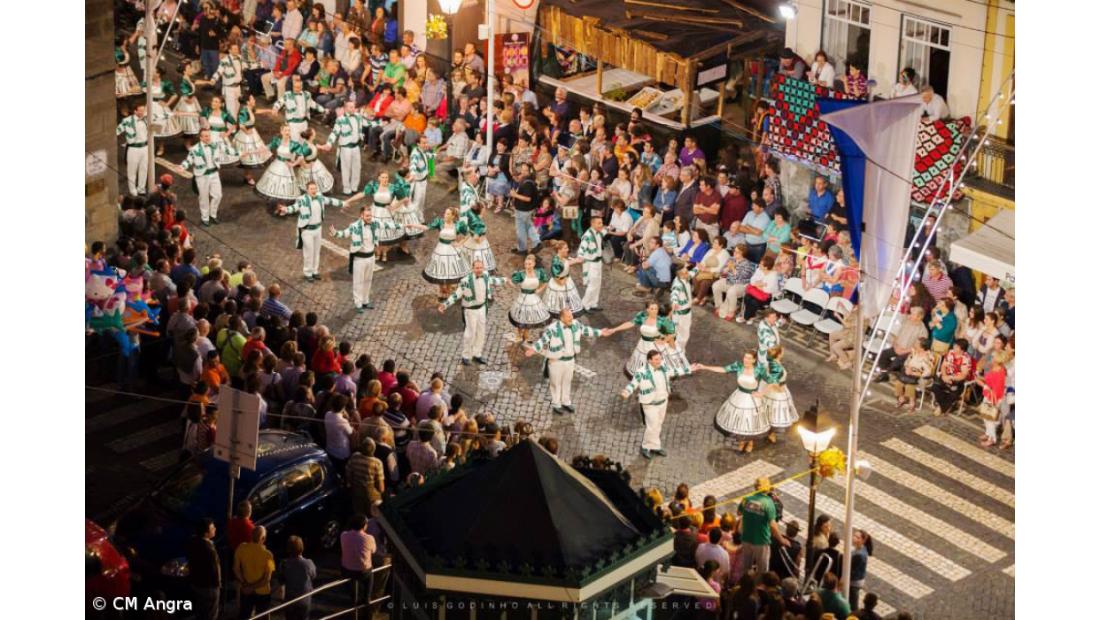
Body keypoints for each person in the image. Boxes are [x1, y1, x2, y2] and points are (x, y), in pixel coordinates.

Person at [526, 308, 610, 415]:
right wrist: (533, 349)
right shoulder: (552, 328)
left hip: (570, 360)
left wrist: (601, 332)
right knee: (555, 383)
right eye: (569, 316)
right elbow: (543, 340)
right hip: (556, 361)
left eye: (571, 316)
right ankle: (556, 404)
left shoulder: (576, 324)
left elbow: (586, 330)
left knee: (567, 381)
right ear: (562, 318)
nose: (571, 318)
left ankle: (566, 402)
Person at [620, 350, 692, 458]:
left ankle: (655, 446)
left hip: (663, 401)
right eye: (656, 359)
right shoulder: (641, 372)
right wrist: (627, 391)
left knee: (658, 425)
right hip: (650, 404)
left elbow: (674, 371)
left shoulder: (663, 367)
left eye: (660, 358)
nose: (659, 361)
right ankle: (645, 446)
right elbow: (633, 383)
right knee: (652, 426)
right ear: (649, 361)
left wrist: (690, 368)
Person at [277, 182, 354, 281]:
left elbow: (330, 201)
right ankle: (308, 273)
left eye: (315, 188)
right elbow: (294, 207)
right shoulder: (302, 200)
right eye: (311, 189)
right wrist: (286, 209)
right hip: (307, 231)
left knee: (316, 251)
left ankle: (315, 271)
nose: (314, 190)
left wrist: (343, 203)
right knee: (309, 252)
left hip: (318, 229)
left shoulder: (319, 197)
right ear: (307, 190)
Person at [330, 205, 401, 312]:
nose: (369, 218)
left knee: (368, 281)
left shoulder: (374, 223)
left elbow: (388, 225)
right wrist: (335, 233)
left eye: (370, 215)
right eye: (367, 216)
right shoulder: (354, 226)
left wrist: (404, 226)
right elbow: (344, 233)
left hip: (371, 257)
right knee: (358, 282)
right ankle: (358, 304)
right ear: (361, 215)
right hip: (359, 259)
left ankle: (365, 301)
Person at [696, 351, 770, 453]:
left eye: (749, 358)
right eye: (745, 357)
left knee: (751, 420)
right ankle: (742, 442)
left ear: (754, 360)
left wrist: (762, 393)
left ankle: (750, 442)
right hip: (739, 396)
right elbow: (723, 369)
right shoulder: (739, 366)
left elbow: (772, 382)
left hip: (752, 399)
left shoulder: (759, 370)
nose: (746, 360)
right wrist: (704, 367)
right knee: (740, 420)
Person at [438, 260, 504, 365]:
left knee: (481, 332)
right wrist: (445, 305)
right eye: (477, 268)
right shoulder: (465, 281)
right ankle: (466, 355)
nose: (479, 270)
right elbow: (456, 294)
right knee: (470, 333)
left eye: (481, 267)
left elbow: (493, 280)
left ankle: (477, 354)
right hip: (470, 310)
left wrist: (506, 280)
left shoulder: (485, 275)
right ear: (473, 269)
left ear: (483, 268)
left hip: (482, 308)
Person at [178, 128, 239, 226]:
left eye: (209, 135)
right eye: (206, 136)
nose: (208, 138)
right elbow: (189, 160)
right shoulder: (195, 149)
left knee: (218, 195)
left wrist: (240, 153)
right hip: (202, 176)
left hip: (214, 173)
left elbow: (228, 150)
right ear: (201, 137)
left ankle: (213, 215)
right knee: (204, 197)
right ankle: (205, 217)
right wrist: (182, 166)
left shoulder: (215, 145)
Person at [736, 477, 788, 574]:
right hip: (761, 540)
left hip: (746, 538)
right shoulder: (768, 503)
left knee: (746, 567)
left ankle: (745, 582)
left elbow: (739, 513)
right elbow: (773, 525)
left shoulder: (746, 499)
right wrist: (782, 540)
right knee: (762, 570)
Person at [422, 208, 472, 299]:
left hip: (452, 249)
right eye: (445, 213)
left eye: (448, 214)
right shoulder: (440, 222)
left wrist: (460, 243)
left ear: (453, 216)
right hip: (440, 249)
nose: (445, 215)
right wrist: (413, 225)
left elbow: (469, 233)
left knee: (450, 269)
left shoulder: (458, 225)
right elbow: (427, 227)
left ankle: (448, 289)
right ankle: (442, 289)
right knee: (440, 268)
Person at [509, 254, 552, 344]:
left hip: (533, 298)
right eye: (526, 264)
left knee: (529, 317)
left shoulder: (539, 273)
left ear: (534, 264)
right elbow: (513, 283)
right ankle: (518, 335)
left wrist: (539, 289)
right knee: (520, 317)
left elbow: (545, 281)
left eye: (529, 264)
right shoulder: (521, 274)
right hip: (523, 298)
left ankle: (526, 336)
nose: (527, 266)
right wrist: (509, 281)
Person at [256, 124, 304, 202]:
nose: (287, 132)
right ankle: (275, 198)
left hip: (287, 166)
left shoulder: (294, 144)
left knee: (285, 182)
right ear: (281, 132)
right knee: (274, 180)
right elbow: (269, 146)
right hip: (277, 164)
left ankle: (282, 199)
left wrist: (294, 164)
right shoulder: (278, 141)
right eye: (285, 130)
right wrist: (260, 149)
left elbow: (301, 156)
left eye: (289, 130)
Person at [234, 526, 275, 617]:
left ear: (251, 535)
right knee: (263, 616)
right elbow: (267, 578)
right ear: (263, 538)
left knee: (245, 616)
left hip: (245, 590)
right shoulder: (269, 555)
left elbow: (236, 569)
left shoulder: (241, 548)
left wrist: (245, 584)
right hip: (263, 592)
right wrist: (252, 587)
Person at [762, 346, 799, 443]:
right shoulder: (775, 366)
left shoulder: (774, 363)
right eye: (782, 351)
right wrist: (779, 389)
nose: (783, 353)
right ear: (778, 354)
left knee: (771, 412)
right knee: (775, 413)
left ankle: (770, 433)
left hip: (779, 390)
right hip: (776, 393)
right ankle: (770, 433)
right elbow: (773, 382)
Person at [186, 518, 220, 620]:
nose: (215, 529)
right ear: (206, 533)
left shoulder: (193, 542)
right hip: (209, 587)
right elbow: (215, 569)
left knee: (200, 612)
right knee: (210, 614)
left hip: (196, 584)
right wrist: (218, 584)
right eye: (212, 528)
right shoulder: (209, 550)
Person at [340, 514, 377, 607]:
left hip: (347, 570)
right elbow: (374, 551)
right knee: (370, 576)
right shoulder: (369, 538)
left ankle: (353, 598)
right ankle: (367, 597)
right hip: (363, 571)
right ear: (364, 526)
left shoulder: (343, 535)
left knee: (351, 580)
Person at [890, 338, 935, 412]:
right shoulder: (914, 352)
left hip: (920, 376)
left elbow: (928, 372)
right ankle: (902, 399)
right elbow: (907, 362)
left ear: (922, 347)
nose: (915, 344)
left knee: (909, 386)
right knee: (898, 383)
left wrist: (914, 373)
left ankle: (912, 403)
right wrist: (908, 368)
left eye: (917, 343)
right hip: (909, 373)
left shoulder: (928, 357)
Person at [713, 243, 756, 321]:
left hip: (741, 285)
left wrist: (733, 269)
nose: (734, 253)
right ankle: (719, 306)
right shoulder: (731, 259)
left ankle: (731, 311)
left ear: (743, 253)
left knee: (731, 291)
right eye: (734, 251)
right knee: (716, 285)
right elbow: (721, 271)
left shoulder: (747, 264)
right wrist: (726, 270)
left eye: (737, 252)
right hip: (729, 281)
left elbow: (742, 277)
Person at [543, 241, 586, 317]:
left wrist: (576, 261)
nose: (568, 249)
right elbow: (559, 281)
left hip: (566, 280)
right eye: (565, 248)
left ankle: (566, 311)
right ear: (559, 250)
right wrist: (565, 279)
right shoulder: (556, 262)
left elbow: (565, 263)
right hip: (560, 283)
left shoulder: (562, 258)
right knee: (560, 300)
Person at [278, 536, 317, 620]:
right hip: (304, 600)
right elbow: (313, 576)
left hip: (290, 600)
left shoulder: (284, 564)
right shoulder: (309, 563)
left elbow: (281, 580)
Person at [116, 103, 150, 196]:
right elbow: (117, 131)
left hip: (145, 147)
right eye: (141, 110)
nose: (143, 112)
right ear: (135, 111)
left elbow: (160, 117)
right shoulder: (127, 121)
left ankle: (141, 189)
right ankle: (133, 191)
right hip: (133, 148)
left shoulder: (147, 118)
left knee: (144, 169)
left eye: (144, 110)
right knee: (132, 171)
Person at [577, 215, 606, 312]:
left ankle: (593, 303)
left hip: (598, 262)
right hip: (592, 264)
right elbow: (581, 248)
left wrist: (610, 228)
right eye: (599, 223)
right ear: (592, 224)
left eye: (601, 223)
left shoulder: (598, 232)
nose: (601, 225)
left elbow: (604, 231)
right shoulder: (587, 236)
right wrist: (580, 256)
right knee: (592, 285)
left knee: (597, 284)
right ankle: (585, 305)